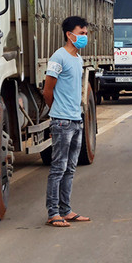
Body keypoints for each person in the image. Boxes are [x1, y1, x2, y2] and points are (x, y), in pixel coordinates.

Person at [42, 16, 91, 227]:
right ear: (69, 35)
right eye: (81, 34)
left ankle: (66, 210)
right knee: (58, 168)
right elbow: (47, 90)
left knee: (70, 168)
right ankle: (53, 213)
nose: (84, 37)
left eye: (86, 34)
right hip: (62, 121)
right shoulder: (58, 57)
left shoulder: (78, 59)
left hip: (76, 119)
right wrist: (57, 111)